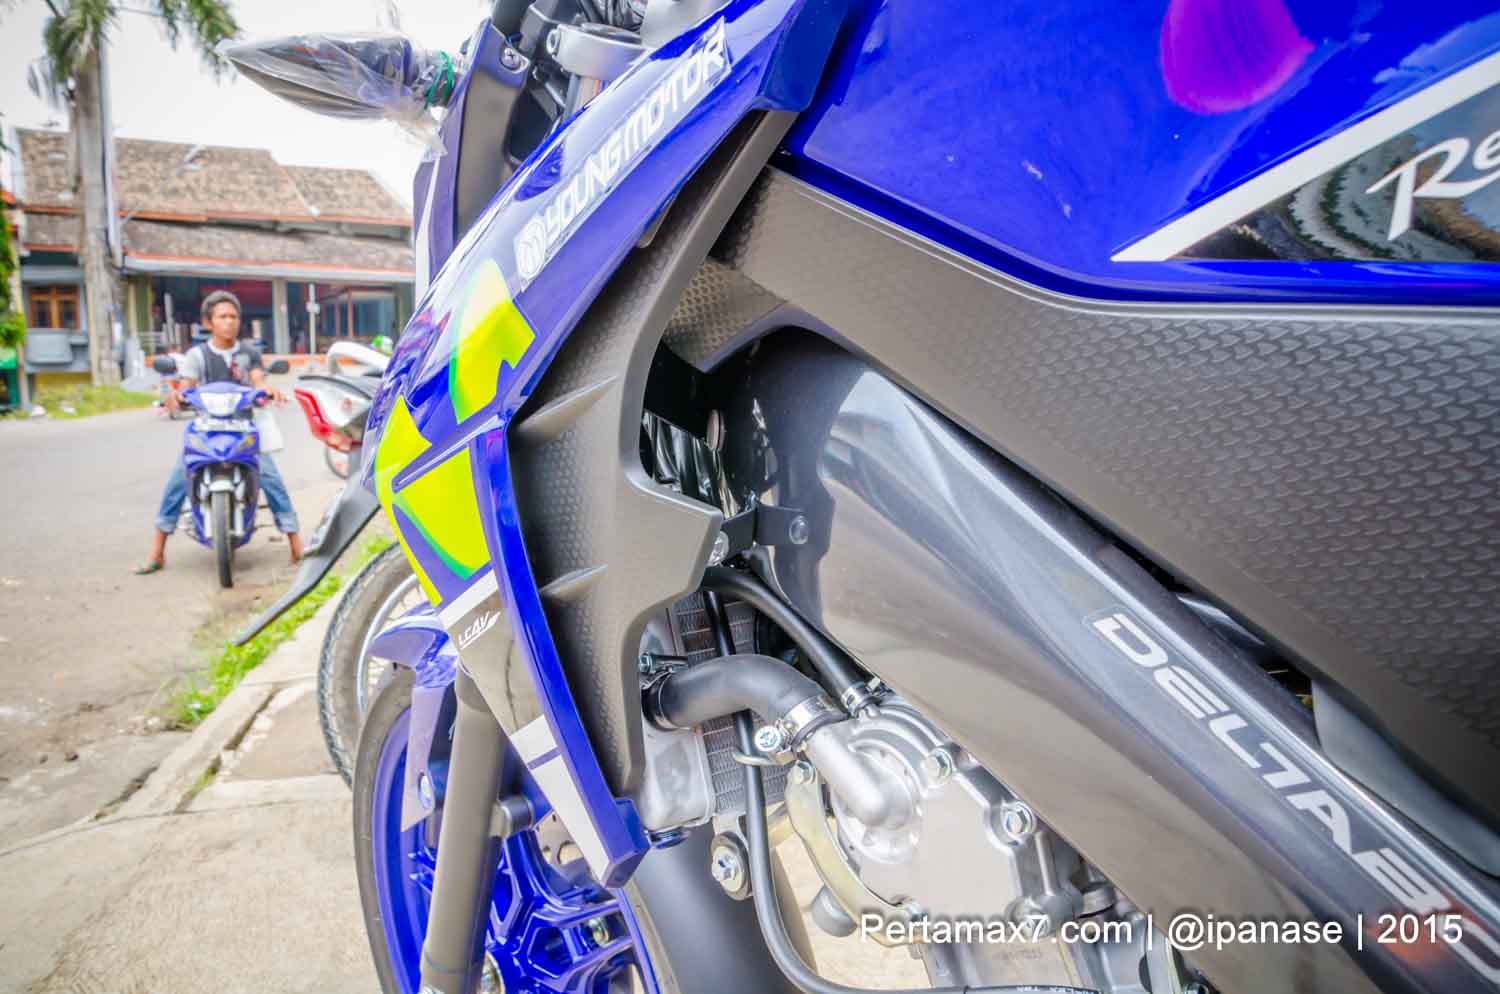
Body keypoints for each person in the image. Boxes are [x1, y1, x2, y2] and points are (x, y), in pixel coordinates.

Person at [134, 290, 303, 574]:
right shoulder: (197, 355)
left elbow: (258, 381)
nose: (229, 322)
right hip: (207, 430)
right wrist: (177, 396)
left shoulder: (248, 353)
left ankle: (297, 545)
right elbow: (186, 386)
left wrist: (268, 391)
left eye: (234, 316)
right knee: (179, 478)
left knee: (271, 478)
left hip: (243, 428)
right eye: (222, 316)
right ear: (208, 322)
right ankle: (157, 552)